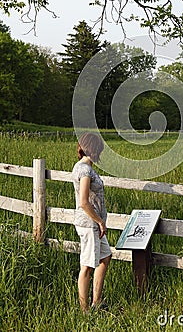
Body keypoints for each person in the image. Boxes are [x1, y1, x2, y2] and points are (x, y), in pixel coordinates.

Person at [72, 132, 111, 313]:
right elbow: (84, 202)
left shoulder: (84, 167)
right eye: (99, 150)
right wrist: (100, 221)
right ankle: (85, 310)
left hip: (94, 224)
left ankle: (96, 301)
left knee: (105, 257)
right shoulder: (85, 171)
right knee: (87, 266)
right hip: (89, 225)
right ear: (93, 150)